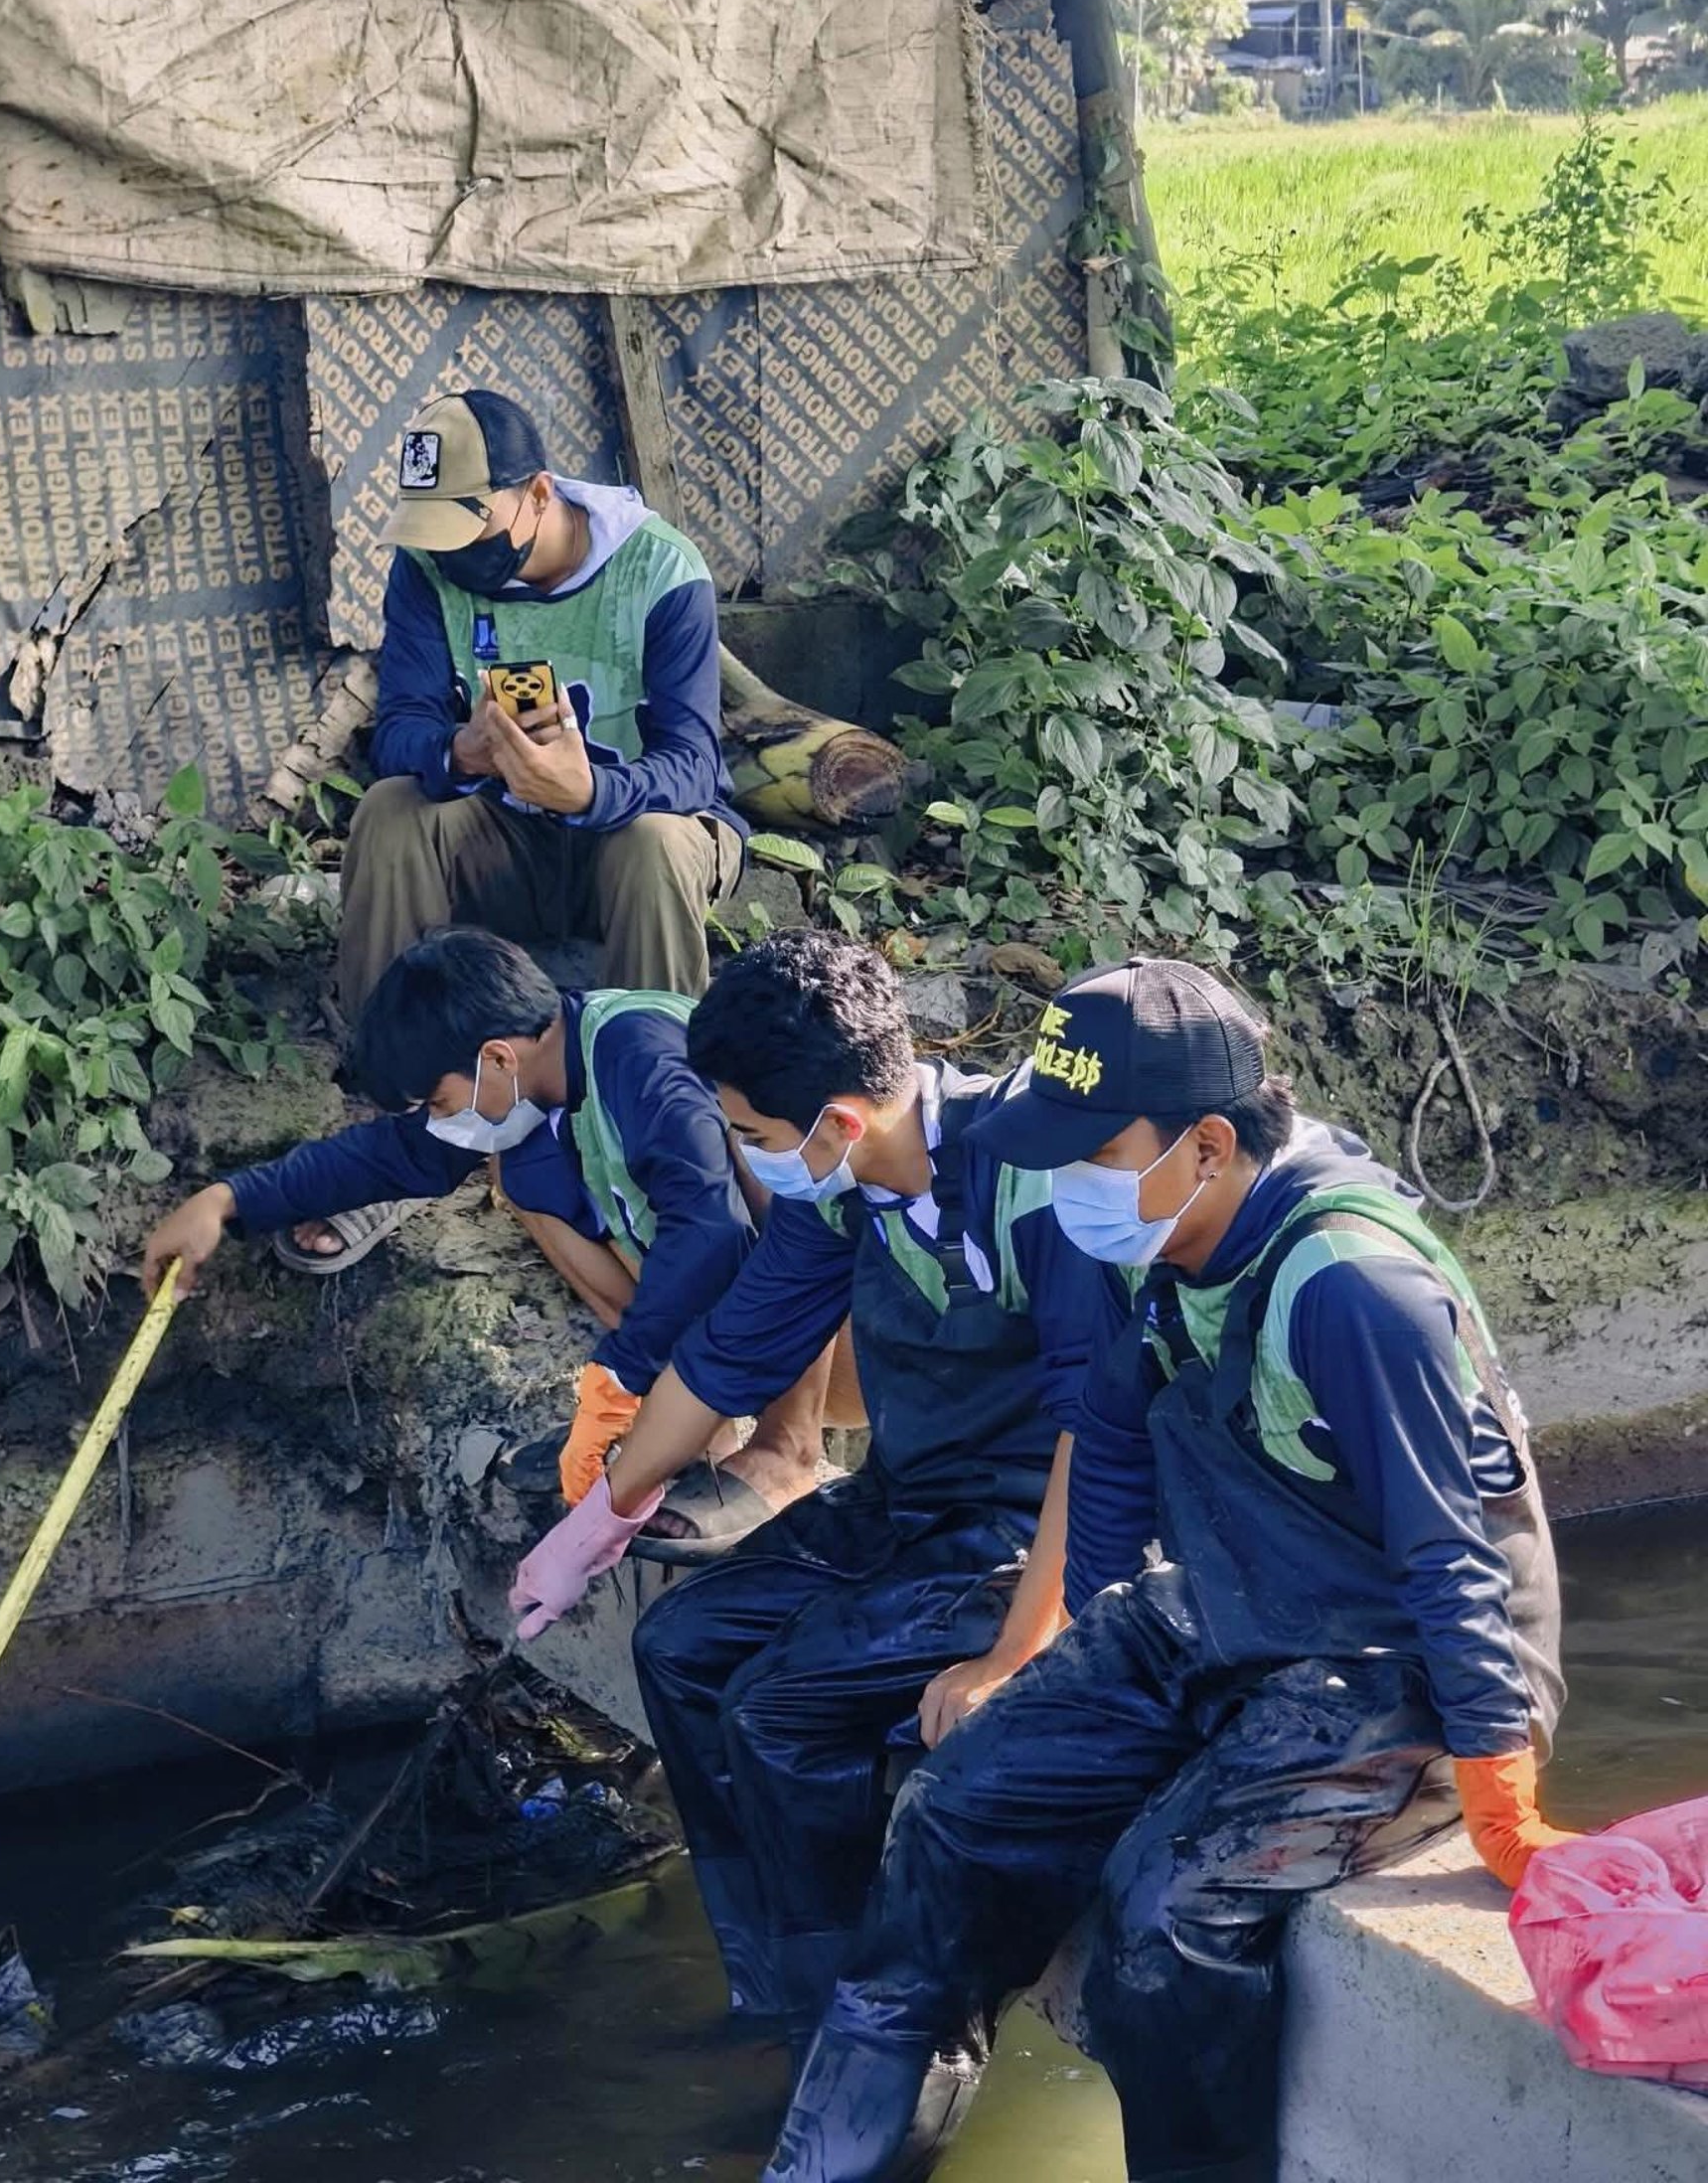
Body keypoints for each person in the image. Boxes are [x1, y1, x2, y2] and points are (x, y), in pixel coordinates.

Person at [763, 957, 1569, 2183]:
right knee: (952, 1811)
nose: (1066, 1176)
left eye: (1093, 1148)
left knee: (1165, 1917)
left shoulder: (1353, 1288)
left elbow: (1450, 1553)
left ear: (1205, 1142)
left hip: (1394, 1647)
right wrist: (1081, 1678)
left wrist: (1499, 1791)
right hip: (1224, 1604)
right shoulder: (1148, 1235)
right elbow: (1115, 1440)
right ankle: (839, 2167)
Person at [507, 933, 1106, 2134]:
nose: (754, 1161)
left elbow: (1099, 1442)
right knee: (681, 1649)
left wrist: (1014, 1652)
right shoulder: (839, 1192)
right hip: (912, 1497)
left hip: (1034, 1525)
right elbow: (728, 1353)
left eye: (759, 1136)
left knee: (778, 1711)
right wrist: (600, 1512)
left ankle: (892, 2056)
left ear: (835, 1117)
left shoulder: (1032, 1182)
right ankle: (780, 2004)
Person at [141, 929, 830, 1530]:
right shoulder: (535, 1083)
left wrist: (618, 1379)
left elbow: (711, 1234)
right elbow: (394, 1155)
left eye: (439, 1101)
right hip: (732, 1332)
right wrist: (229, 1199)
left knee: (765, 1171)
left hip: (833, 1332)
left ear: (497, 1057)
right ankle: (689, 1431)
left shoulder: (641, 1058)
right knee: (521, 1177)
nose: (441, 1121)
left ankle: (783, 1449)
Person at [340, 388, 742, 1024]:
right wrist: (459, 752)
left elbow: (694, 767)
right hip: (504, 839)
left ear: (537, 495)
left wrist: (588, 793)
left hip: (632, 836)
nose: (453, 554)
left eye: (470, 528)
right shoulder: (424, 571)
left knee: (655, 843)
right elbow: (399, 731)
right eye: (437, 534)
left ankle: (651, 1076)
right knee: (391, 811)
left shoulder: (661, 571)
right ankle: (391, 1069)